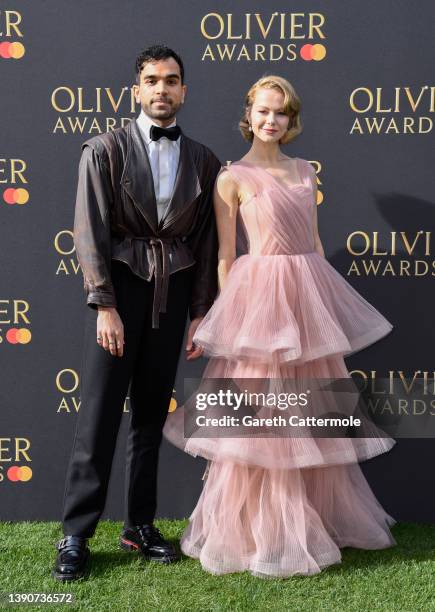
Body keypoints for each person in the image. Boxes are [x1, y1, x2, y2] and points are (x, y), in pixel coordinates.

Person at [163, 75, 397, 578]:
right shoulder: (232, 178)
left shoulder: (305, 169)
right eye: (264, 111)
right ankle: (256, 532)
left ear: (292, 120)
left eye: (282, 113)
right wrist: (228, 321)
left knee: (312, 411)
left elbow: (312, 244)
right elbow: (227, 257)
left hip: (305, 296)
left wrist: (322, 309)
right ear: (249, 115)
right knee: (256, 419)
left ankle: (314, 523)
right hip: (258, 302)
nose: (272, 121)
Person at [52, 44, 221, 581]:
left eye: (171, 81)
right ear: (136, 89)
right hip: (120, 295)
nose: (162, 90)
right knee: (99, 418)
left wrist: (199, 314)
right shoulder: (103, 150)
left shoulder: (203, 159)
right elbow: (90, 233)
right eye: (152, 80)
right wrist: (103, 304)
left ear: (184, 91)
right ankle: (76, 534)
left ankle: (139, 525)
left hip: (171, 298)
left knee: (150, 414)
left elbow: (206, 245)